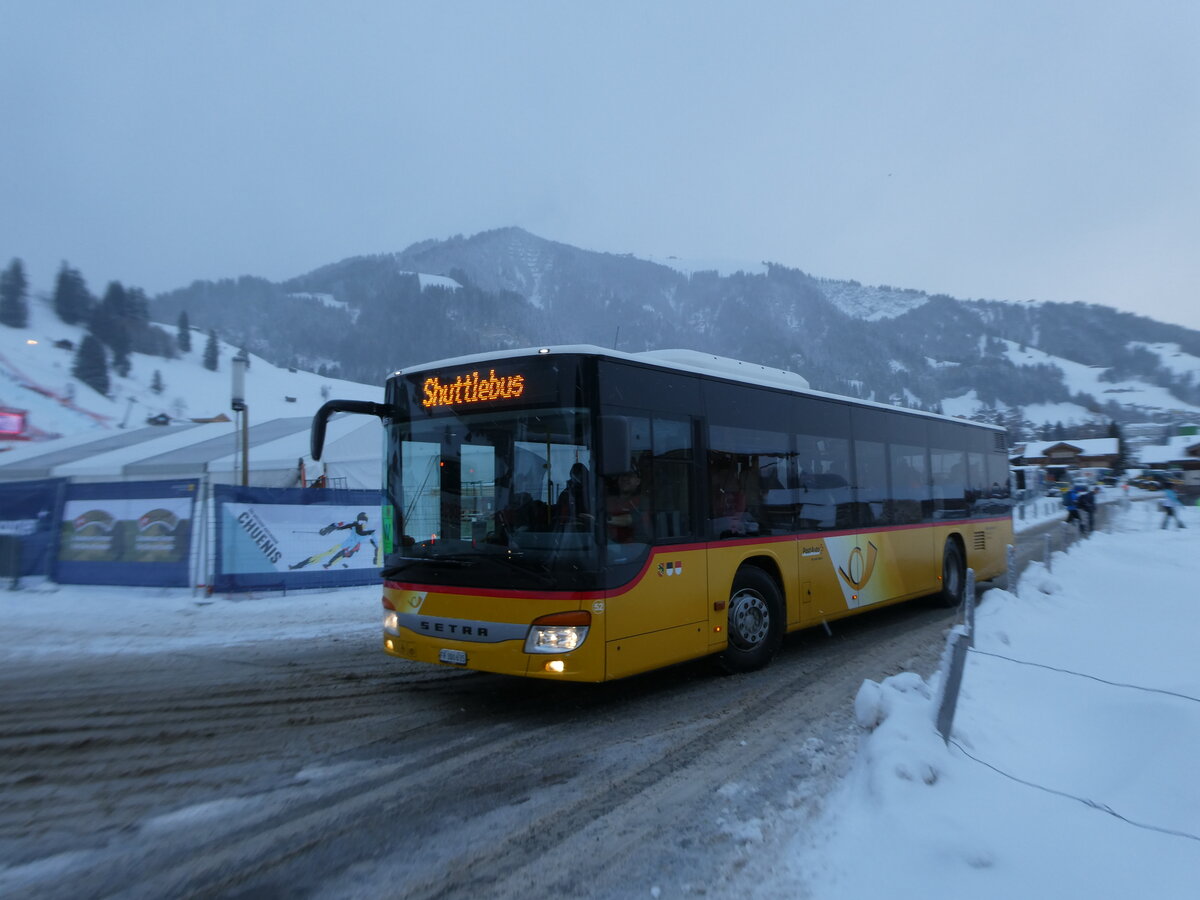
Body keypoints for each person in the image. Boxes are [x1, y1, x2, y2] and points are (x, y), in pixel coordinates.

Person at [290, 512, 377, 569]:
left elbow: (372, 541)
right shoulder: (355, 524)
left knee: (339, 557)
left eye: (364, 521)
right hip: (345, 545)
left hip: (351, 549)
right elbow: (342, 524)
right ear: (358, 520)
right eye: (360, 520)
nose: (362, 523)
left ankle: (329, 564)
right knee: (324, 555)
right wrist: (329, 528)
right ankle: (301, 565)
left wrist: (376, 554)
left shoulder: (368, 530)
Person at [606, 466, 649, 543]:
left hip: (637, 547)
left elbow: (631, 519)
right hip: (608, 545)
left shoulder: (642, 500)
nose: (625, 478)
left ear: (638, 481)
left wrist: (603, 520)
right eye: (623, 475)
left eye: (630, 476)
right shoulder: (609, 500)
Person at [555, 462, 592, 527]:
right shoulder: (566, 494)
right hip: (572, 527)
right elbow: (561, 515)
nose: (580, 479)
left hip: (587, 526)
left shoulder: (592, 491)